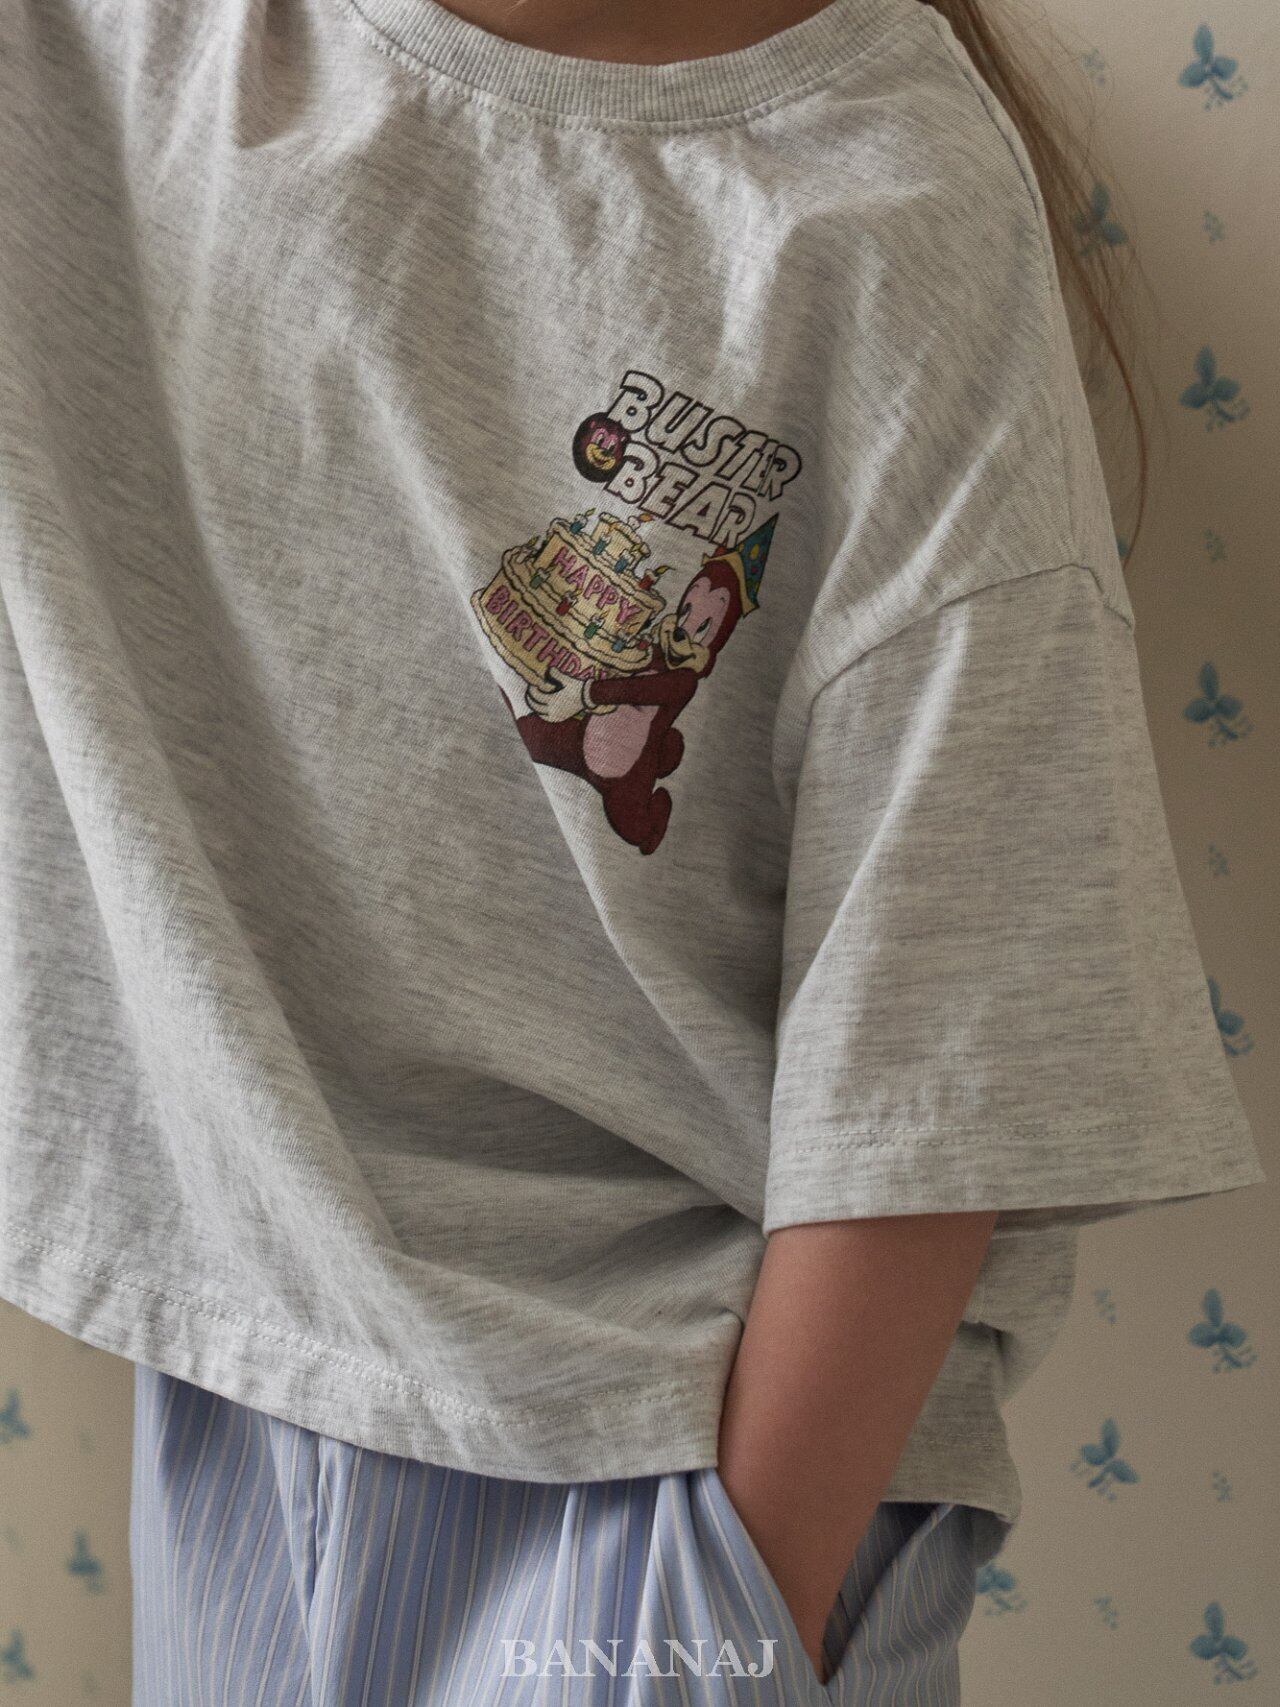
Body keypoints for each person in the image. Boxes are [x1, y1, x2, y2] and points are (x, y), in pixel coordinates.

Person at [0, 0, 1265, 1700]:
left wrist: (723, 1603)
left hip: (679, 1451)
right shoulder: (124, 54)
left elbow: (948, 1011)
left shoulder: (884, 206)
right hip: (249, 1380)